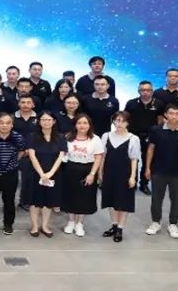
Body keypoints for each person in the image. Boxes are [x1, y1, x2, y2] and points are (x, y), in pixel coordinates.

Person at [144, 104, 178, 239]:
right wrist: (147, 167)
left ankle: (173, 224)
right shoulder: (156, 130)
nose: (174, 116)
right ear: (166, 115)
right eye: (171, 113)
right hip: (158, 171)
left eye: (177, 114)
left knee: (177, 199)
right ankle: (156, 222)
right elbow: (150, 149)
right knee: (156, 198)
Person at [60, 114, 105, 237]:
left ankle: (79, 223)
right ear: (75, 125)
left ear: (89, 125)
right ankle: (71, 221)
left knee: (84, 198)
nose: (82, 126)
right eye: (79, 123)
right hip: (70, 169)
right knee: (70, 196)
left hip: (87, 170)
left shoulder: (95, 139)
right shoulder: (68, 137)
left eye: (85, 123)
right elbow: (63, 154)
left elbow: (98, 157)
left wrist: (92, 174)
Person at [99, 112, 141, 242]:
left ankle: (120, 228)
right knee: (111, 201)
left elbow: (134, 159)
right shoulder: (106, 136)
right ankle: (114, 225)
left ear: (128, 123)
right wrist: (100, 172)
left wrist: (132, 177)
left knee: (123, 202)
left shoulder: (133, 138)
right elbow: (102, 156)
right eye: (117, 120)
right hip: (109, 173)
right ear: (113, 121)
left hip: (125, 174)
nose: (119, 124)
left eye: (123, 121)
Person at [27, 112, 66, 237]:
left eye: (49, 119)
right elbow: (32, 156)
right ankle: (34, 226)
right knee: (35, 201)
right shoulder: (32, 136)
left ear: (54, 121)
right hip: (35, 173)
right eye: (43, 119)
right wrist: (42, 174)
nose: (46, 122)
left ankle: (45, 226)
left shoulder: (60, 137)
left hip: (53, 173)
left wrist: (50, 173)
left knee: (48, 201)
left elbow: (61, 156)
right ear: (39, 121)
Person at [124, 81, 165, 195]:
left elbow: (160, 119)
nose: (145, 92)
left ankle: (144, 184)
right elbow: (125, 118)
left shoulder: (159, 104)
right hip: (133, 135)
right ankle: (132, 181)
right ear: (139, 91)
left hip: (150, 136)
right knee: (133, 159)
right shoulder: (131, 103)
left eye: (148, 90)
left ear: (152, 91)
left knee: (148, 161)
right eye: (143, 90)